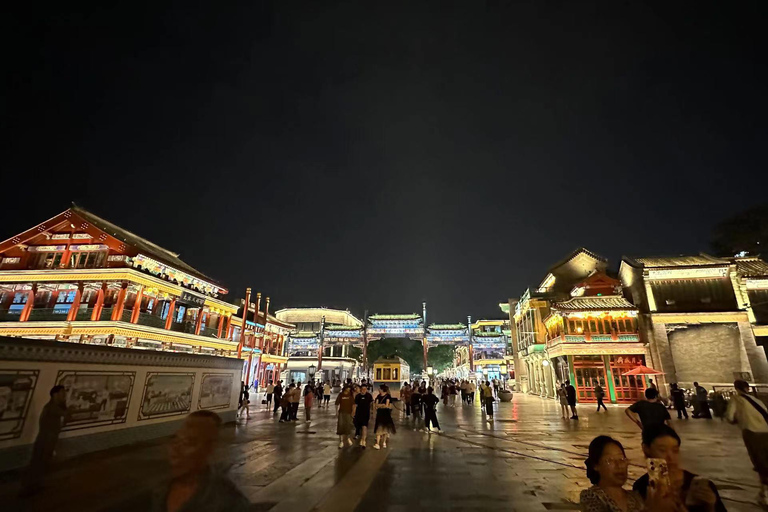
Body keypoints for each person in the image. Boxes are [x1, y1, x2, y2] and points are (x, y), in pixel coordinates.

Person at [150, 410, 250, 512]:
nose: (177, 448)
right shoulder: (160, 489)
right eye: (176, 440)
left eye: (189, 442)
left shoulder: (224, 497)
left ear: (209, 448)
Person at [633, 424, 726, 512]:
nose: (670, 457)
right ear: (646, 449)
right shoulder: (641, 486)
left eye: (675, 450)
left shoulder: (697, 486)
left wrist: (710, 506)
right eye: (662, 450)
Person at [726, 379, 768, 506]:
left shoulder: (736, 399)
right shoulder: (757, 400)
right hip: (766, 431)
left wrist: (738, 420)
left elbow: (729, 417)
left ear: (736, 388)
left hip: (752, 433)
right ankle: (763, 491)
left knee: (760, 463)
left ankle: (765, 494)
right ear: (747, 388)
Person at [20, 385, 67, 496]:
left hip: (47, 440)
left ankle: (34, 485)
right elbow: (66, 413)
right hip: (45, 440)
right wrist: (65, 403)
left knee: (40, 463)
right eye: (62, 393)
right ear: (55, 394)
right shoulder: (52, 407)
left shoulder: (51, 407)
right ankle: (27, 488)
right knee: (37, 463)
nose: (64, 395)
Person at [580, 436, 645, 511]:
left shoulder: (635, 498)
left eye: (621, 459)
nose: (619, 465)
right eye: (610, 460)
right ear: (596, 465)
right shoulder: (591, 497)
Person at [373, 384, 396, 449]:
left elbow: (385, 405)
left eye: (379, 388)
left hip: (383, 414)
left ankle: (379, 443)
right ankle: (383, 443)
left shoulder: (385, 396)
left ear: (382, 389)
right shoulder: (383, 396)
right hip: (383, 413)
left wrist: (380, 405)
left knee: (383, 428)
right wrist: (382, 405)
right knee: (382, 428)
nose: (378, 390)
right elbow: (378, 405)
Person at [354, 384, 374, 448]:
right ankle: (360, 437)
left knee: (364, 427)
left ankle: (363, 440)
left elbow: (371, 404)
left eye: (365, 389)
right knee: (359, 426)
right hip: (358, 414)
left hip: (366, 414)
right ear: (360, 389)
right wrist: (353, 413)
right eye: (362, 389)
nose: (364, 391)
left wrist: (372, 411)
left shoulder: (369, 396)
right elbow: (355, 405)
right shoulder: (358, 396)